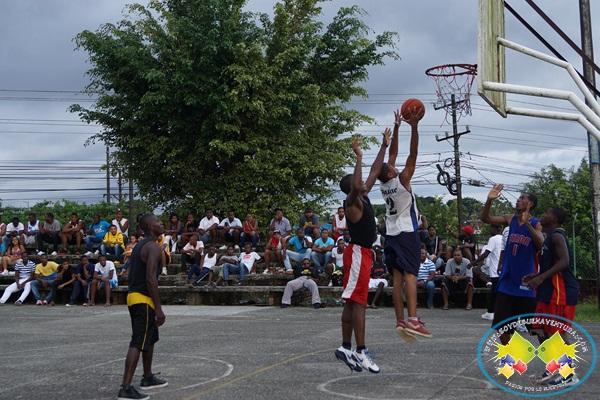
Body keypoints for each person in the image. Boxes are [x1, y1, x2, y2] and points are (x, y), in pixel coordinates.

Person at [335, 130, 390, 374]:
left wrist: (384, 146)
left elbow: (375, 170)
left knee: (351, 302)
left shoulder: (363, 196)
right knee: (360, 304)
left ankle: (347, 347)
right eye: (358, 184)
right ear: (351, 189)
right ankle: (361, 350)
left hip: (360, 253)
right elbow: (358, 184)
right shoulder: (352, 202)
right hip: (358, 253)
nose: (365, 183)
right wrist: (358, 157)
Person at [378, 107, 430, 338]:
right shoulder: (402, 179)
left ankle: (400, 321)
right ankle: (413, 320)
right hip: (407, 231)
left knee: (396, 279)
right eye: (391, 166)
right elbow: (413, 153)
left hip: (391, 233)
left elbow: (393, 155)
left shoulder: (383, 184)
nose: (394, 164)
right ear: (390, 173)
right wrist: (415, 127)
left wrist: (397, 129)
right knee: (411, 275)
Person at [481, 185, 543, 344]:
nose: (518, 199)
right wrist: (489, 200)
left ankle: (555, 360)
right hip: (507, 282)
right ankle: (509, 361)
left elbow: (540, 243)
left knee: (536, 328)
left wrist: (527, 223)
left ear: (531, 204)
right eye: (519, 197)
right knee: (502, 327)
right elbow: (485, 219)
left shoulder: (536, 223)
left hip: (526, 284)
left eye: (523, 198)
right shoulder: (510, 219)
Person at [524, 207, 580, 387]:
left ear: (554, 218)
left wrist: (541, 277)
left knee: (557, 332)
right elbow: (551, 264)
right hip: (548, 291)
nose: (543, 215)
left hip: (561, 292)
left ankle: (569, 374)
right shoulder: (549, 237)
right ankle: (555, 366)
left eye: (547, 213)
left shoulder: (557, 236)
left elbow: (564, 262)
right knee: (540, 330)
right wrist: (535, 275)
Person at [118, 214, 167, 400]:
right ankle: (125, 387)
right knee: (138, 341)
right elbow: (150, 279)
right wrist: (159, 308)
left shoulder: (140, 245)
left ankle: (147, 377)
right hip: (143, 299)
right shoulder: (152, 247)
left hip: (135, 297)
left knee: (150, 338)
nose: (161, 223)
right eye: (158, 221)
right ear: (149, 226)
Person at [474, 225, 503, 321]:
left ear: (497, 228)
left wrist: (473, 263)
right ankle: (494, 312)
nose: (491, 229)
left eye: (492, 227)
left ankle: (491, 312)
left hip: (495, 271)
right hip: (502, 270)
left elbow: (486, 254)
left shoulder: (493, 239)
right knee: (499, 293)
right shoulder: (504, 238)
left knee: (494, 293)